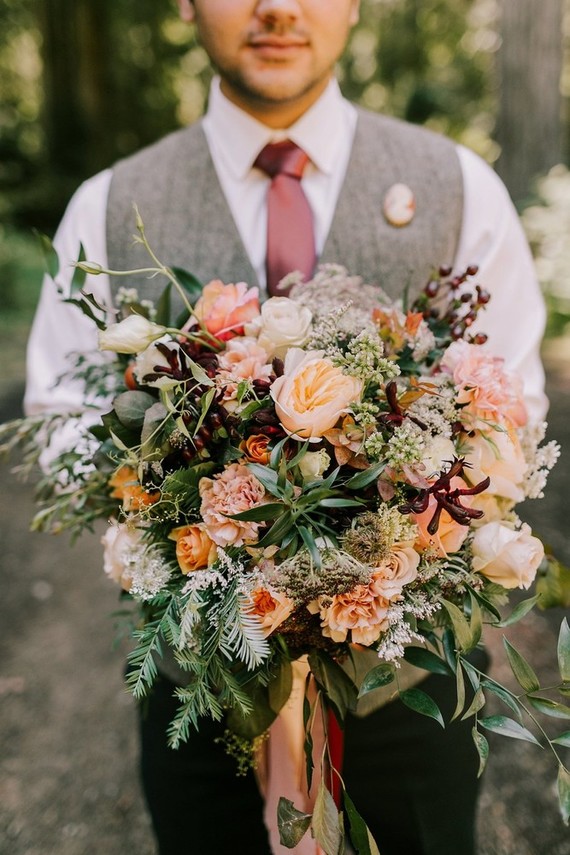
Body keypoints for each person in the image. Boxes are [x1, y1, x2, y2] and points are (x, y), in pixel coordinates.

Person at [25, 2, 548, 853]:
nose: (277, 7)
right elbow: (61, 414)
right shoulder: (112, 204)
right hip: (202, 700)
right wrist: (188, 514)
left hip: (409, 699)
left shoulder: (458, 187)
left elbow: (511, 408)